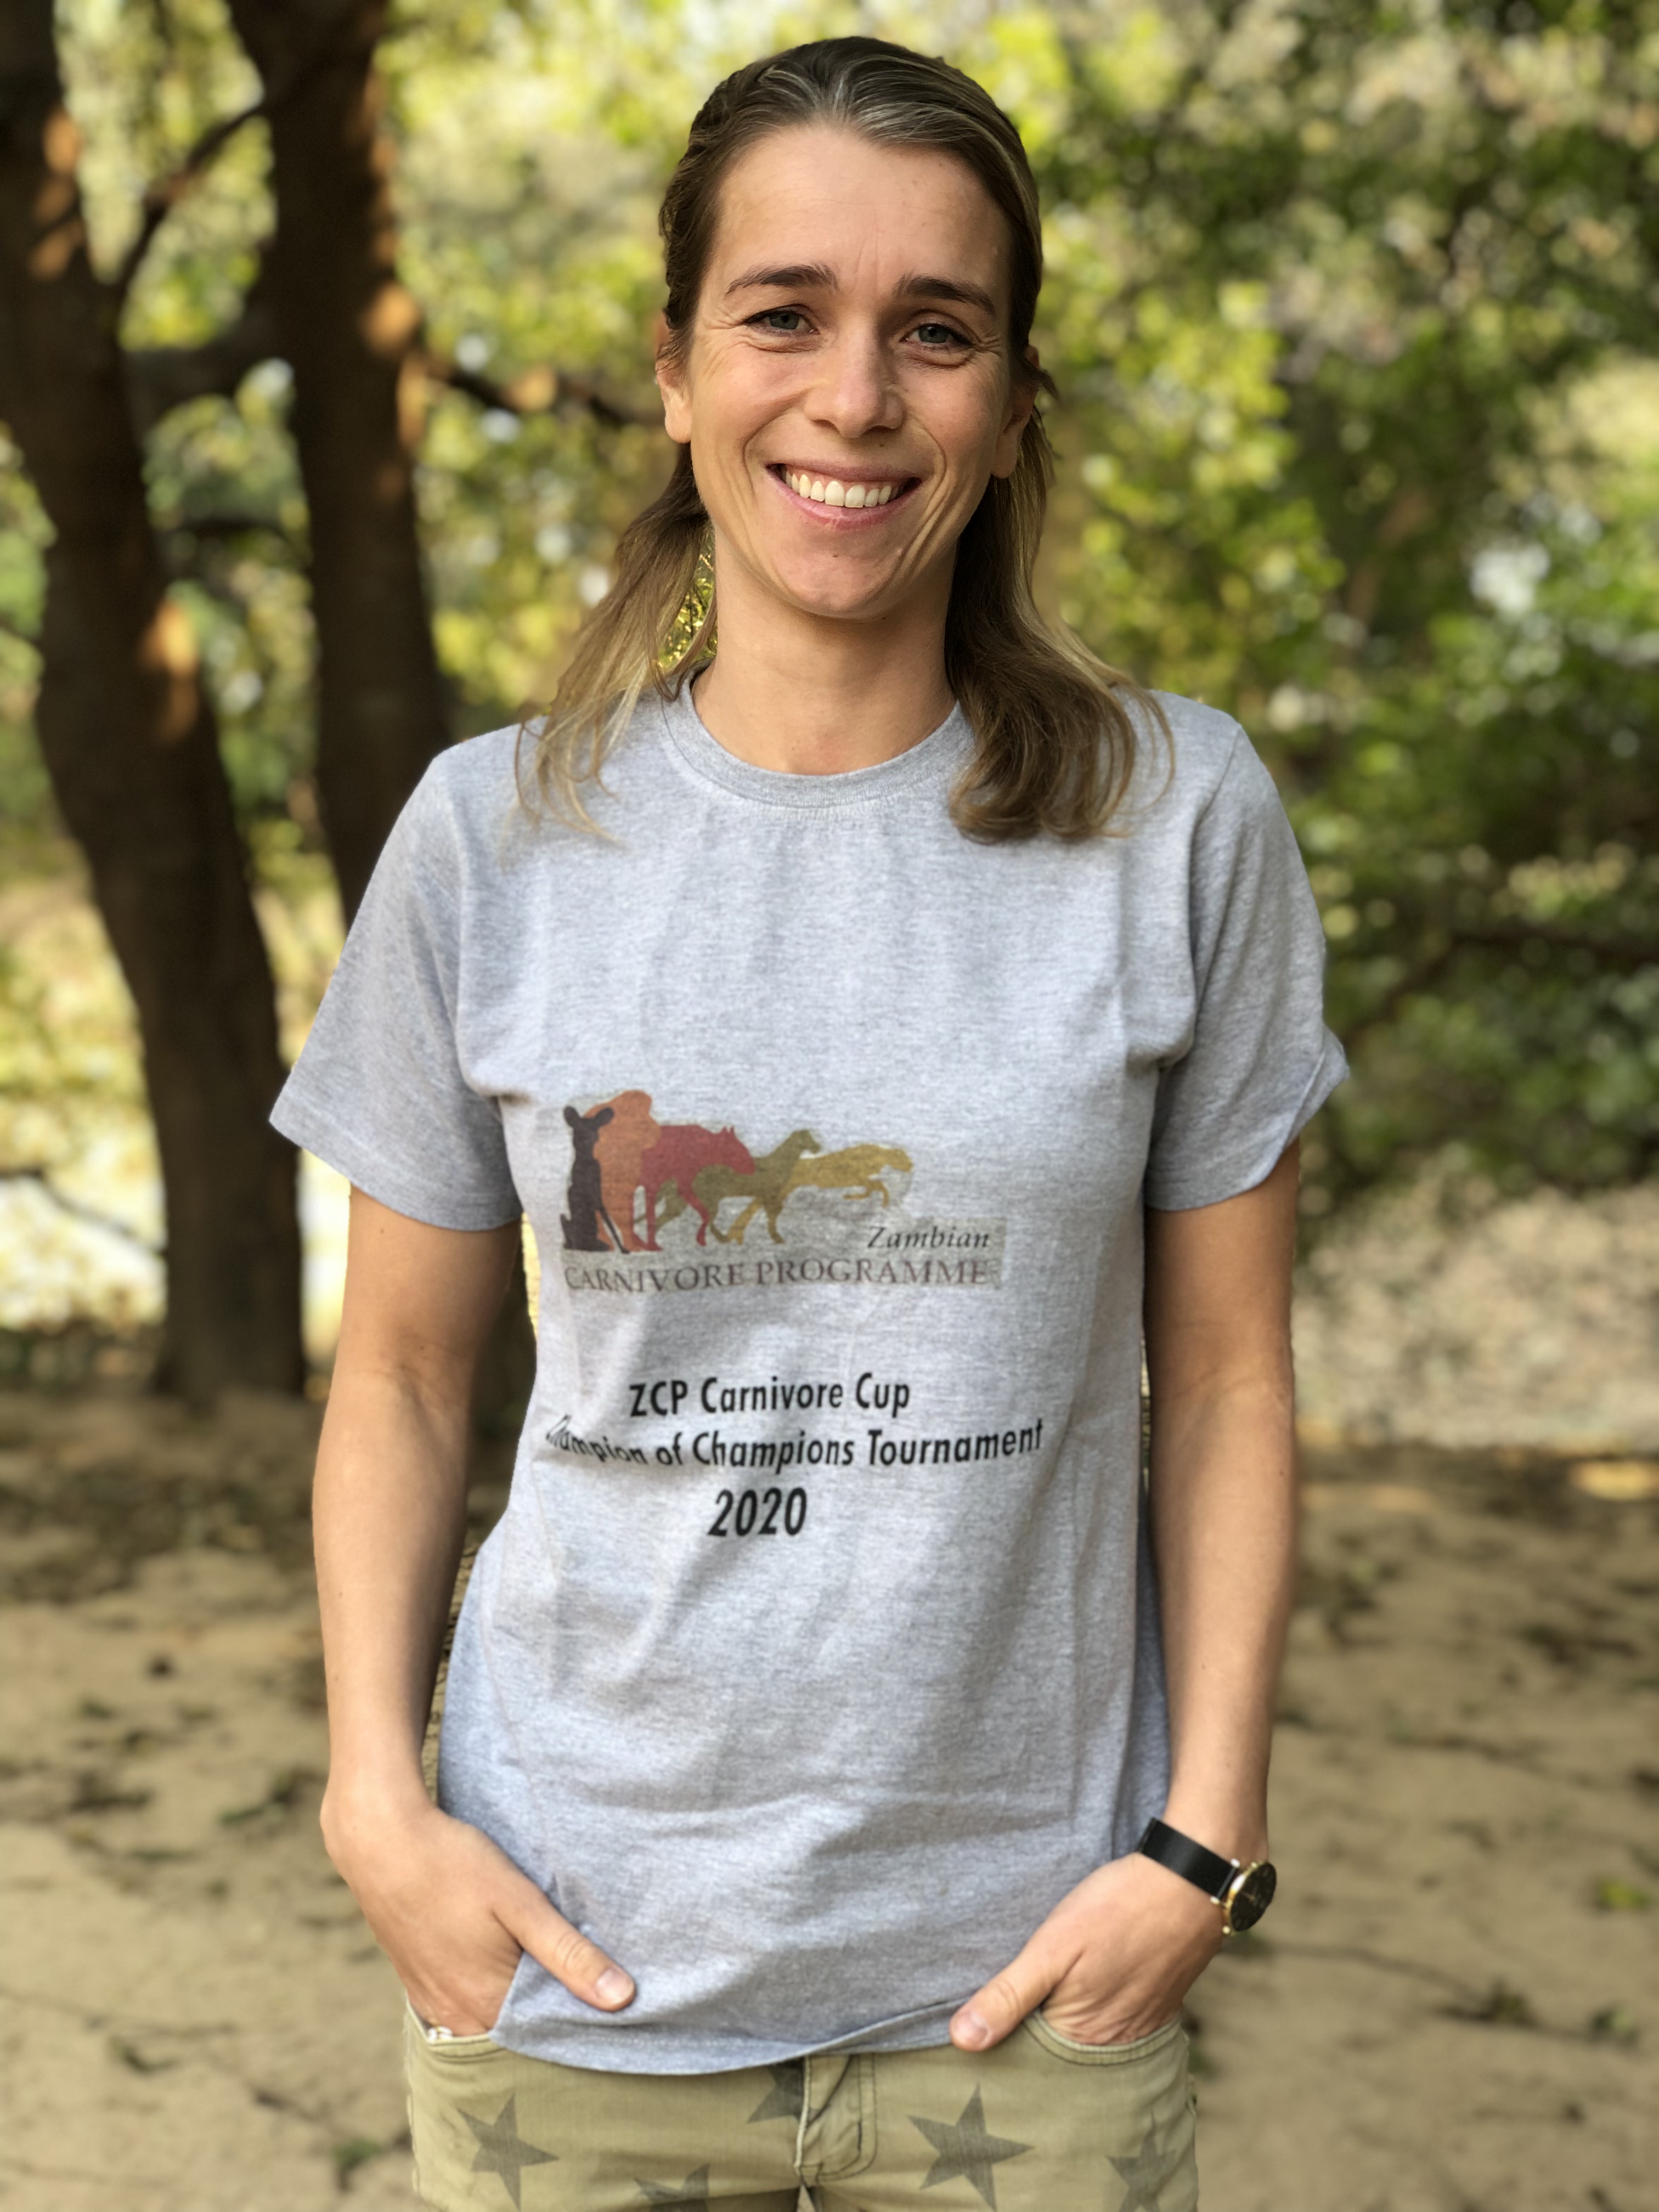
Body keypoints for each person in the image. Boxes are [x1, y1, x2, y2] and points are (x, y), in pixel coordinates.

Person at [274, 35, 1345, 2211]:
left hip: (1027, 1998)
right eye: (784, 315)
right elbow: (399, 1378)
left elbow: (1231, 1380)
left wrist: (1204, 1842)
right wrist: (374, 1802)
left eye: (935, 331)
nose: (855, 397)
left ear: (1011, 404)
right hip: (571, 1973)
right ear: (676, 373)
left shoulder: (1179, 821)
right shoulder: (490, 840)